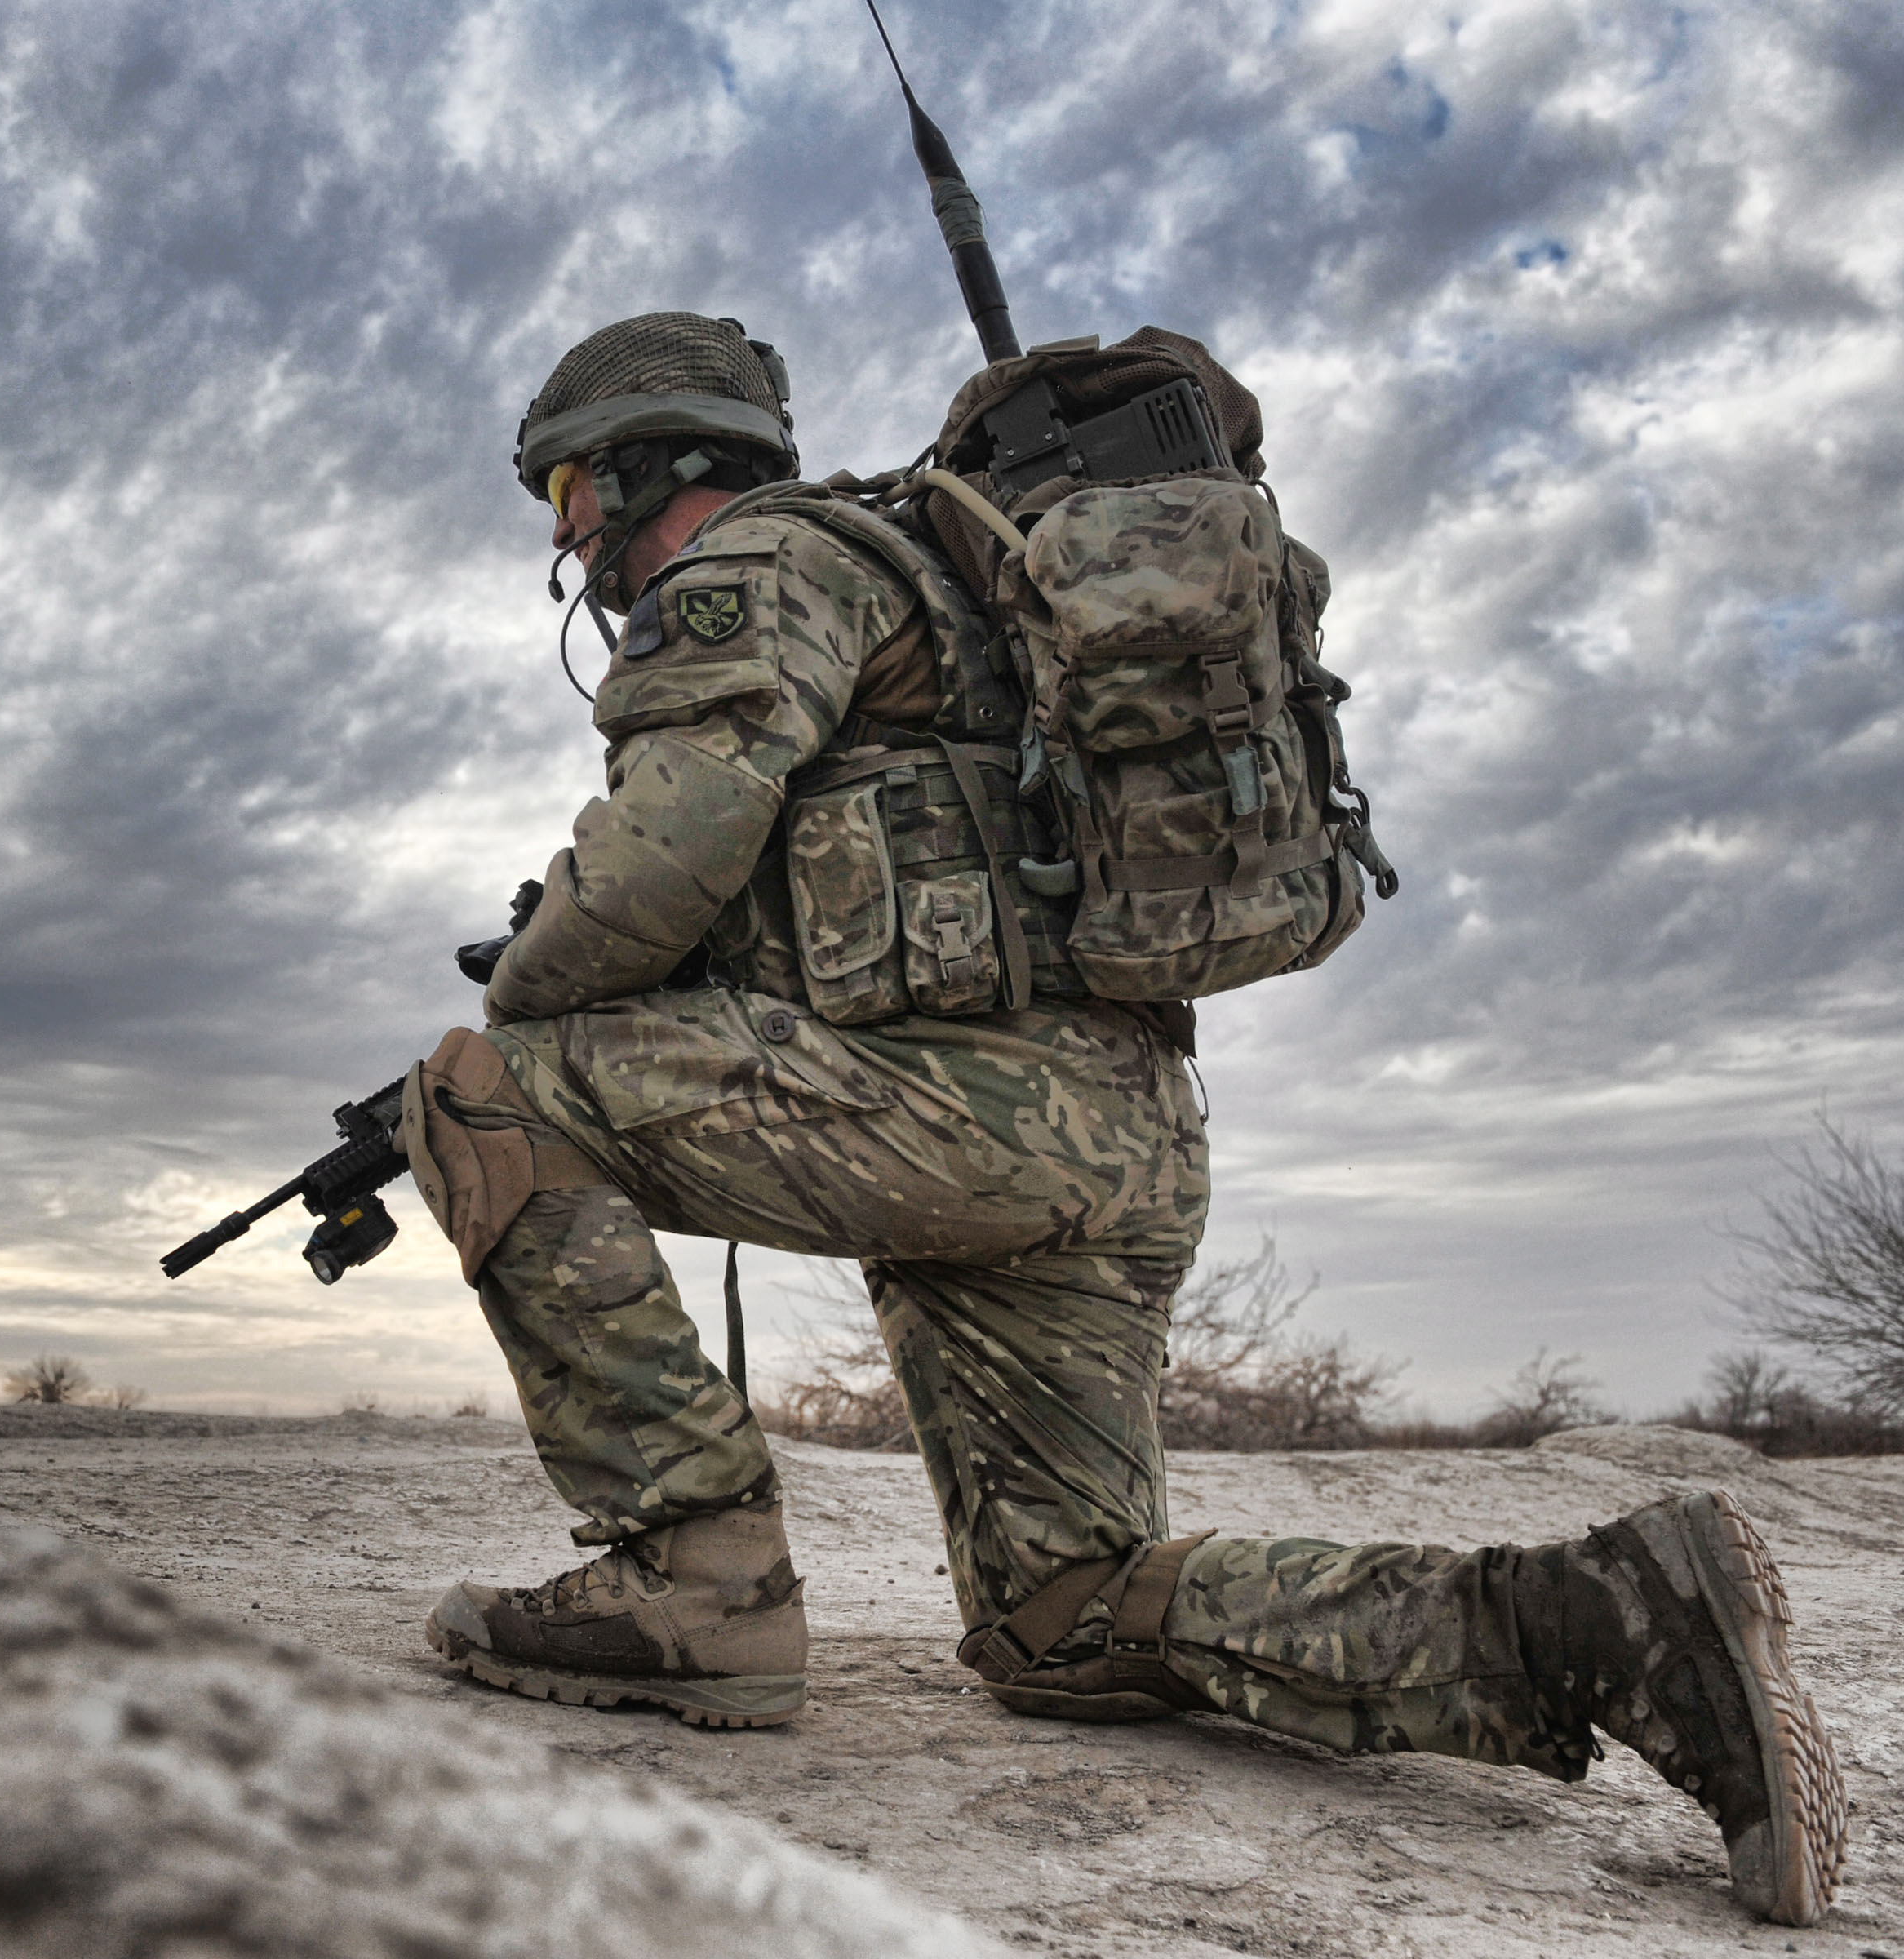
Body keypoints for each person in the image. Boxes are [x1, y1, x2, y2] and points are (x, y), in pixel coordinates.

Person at [390, 311, 1846, 1926]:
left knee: (481, 1085)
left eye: (570, 491)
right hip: (1120, 1131)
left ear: (650, 463)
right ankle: (1607, 1621)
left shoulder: (762, 568)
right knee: (1069, 1618)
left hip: (954, 1119)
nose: (569, 534)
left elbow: (665, 853)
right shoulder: (961, 586)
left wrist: (529, 999)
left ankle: (690, 1576)